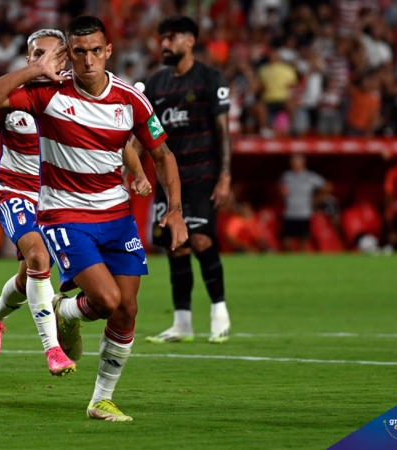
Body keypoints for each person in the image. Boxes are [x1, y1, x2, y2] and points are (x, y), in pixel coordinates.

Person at [0, 16, 187, 421]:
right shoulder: (47, 92)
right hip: (65, 215)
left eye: (95, 51)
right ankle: (64, 311)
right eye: (79, 51)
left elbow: (163, 154)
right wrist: (35, 68)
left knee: (127, 311)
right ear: (69, 53)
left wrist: (174, 210)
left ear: (108, 51)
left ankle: (99, 398)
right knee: (107, 301)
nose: (87, 60)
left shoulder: (130, 100)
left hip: (117, 217)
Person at [0, 29, 153, 378]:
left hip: (59, 199)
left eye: (52, 54)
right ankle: (53, 351)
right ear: (29, 59)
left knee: (27, 278)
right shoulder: (13, 97)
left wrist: (137, 172)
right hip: (17, 192)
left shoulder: (69, 96)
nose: (44, 60)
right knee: (38, 258)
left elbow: (119, 141)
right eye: (37, 55)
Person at [137, 16, 232, 345]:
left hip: (203, 174)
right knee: (175, 247)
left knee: (202, 240)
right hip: (169, 180)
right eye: (162, 38)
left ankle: (220, 314)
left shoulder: (209, 77)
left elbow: (223, 131)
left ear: (190, 40)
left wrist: (225, 176)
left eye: (172, 38)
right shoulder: (154, 84)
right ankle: (182, 324)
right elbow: (140, 132)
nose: (164, 44)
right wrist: (132, 168)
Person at [280, 153, 326, 251]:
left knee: (304, 241)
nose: (294, 164)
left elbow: (327, 186)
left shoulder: (310, 176)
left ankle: (303, 263)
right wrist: (284, 197)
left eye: (296, 162)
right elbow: (282, 189)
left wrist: (316, 199)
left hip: (304, 213)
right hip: (290, 213)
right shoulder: (287, 176)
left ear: (302, 163)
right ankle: (289, 264)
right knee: (286, 241)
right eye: (292, 162)